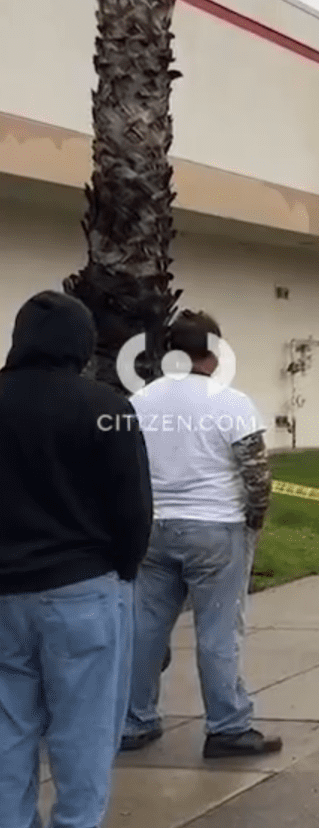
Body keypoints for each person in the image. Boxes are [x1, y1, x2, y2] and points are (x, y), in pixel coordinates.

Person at [0, 291, 152, 828]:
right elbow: (133, 509)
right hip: (83, 590)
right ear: (82, 344)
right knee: (83, 734)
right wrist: (125, 568)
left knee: (7, 730)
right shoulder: (106, 408)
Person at [119, 310, 284, 759]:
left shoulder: (140, 401)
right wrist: (255, 519)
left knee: (145, 629)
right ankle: (228, 726)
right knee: (218, 630)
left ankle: (135, 720)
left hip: (154, 528)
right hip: (216, 528)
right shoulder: (230, 401)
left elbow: (126, 470)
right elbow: (256, 473)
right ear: (214, 353)